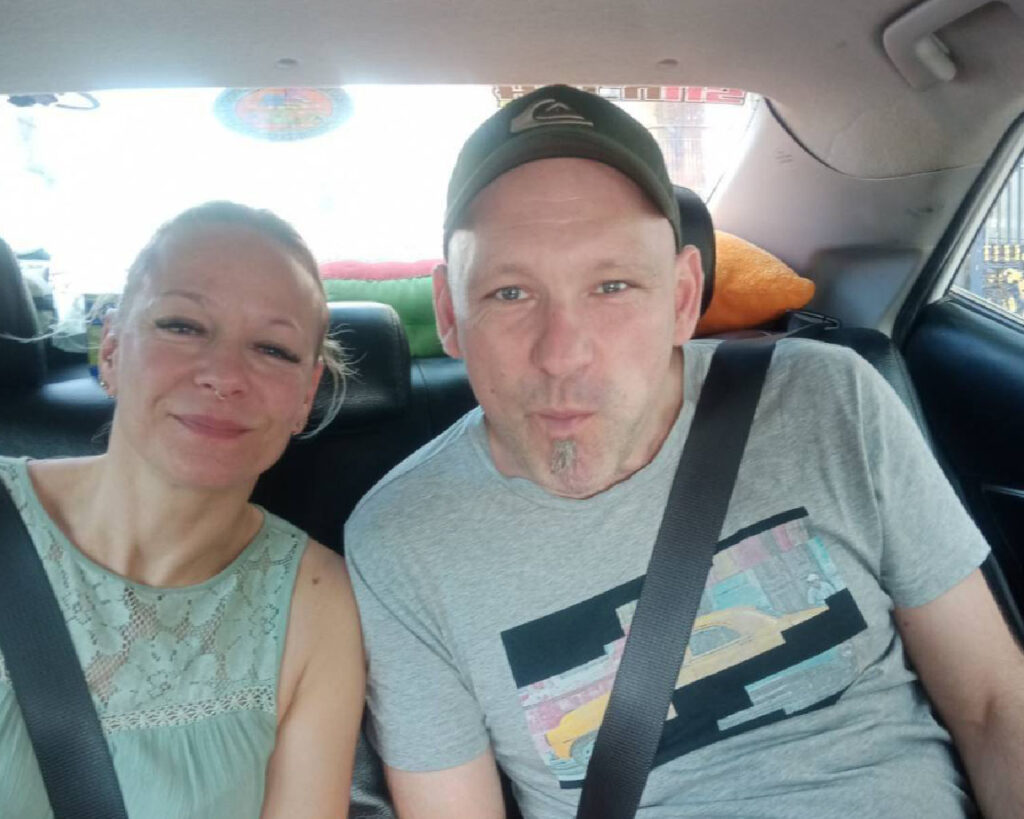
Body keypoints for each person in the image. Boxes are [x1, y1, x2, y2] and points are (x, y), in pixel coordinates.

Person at [345, 85, 1024, 818]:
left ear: (681, 297)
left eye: (612, 286)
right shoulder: (402, 541)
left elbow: (995, 704)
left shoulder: (829, 399)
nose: (562, 354)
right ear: (450, 314)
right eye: (510, 293)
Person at [0, 202, 365, 818]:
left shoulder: (318, 605)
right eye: (183, 326)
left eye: (274, 349)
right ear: (111, 348)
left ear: (306, 397)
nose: (224, 375)